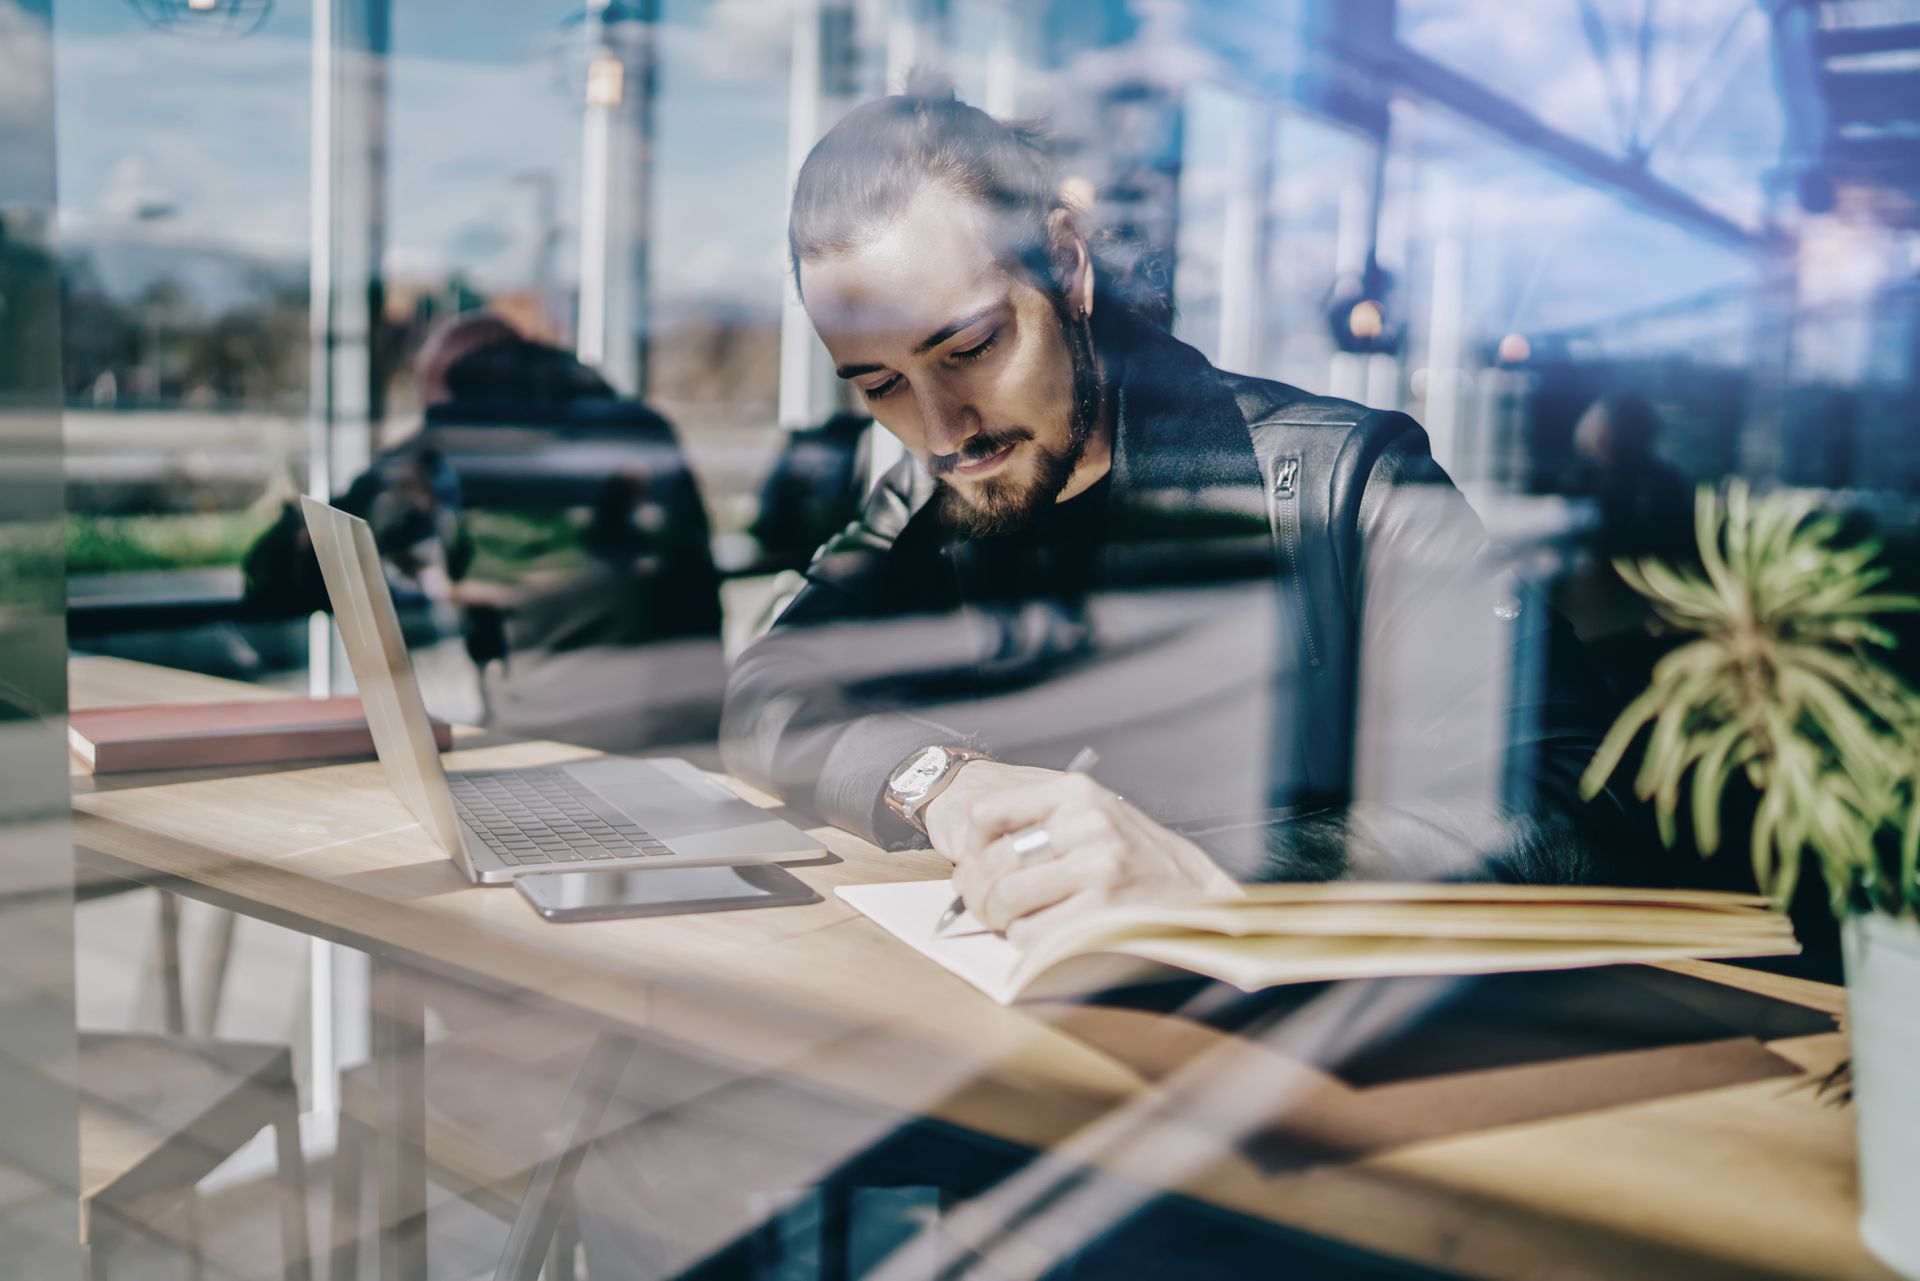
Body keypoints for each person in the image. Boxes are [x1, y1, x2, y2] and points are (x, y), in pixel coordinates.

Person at [721, 76, 1644, 949]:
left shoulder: (1346, 483)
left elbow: (1568, 813)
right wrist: (941, 783)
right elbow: (766, 688)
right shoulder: (926, 497)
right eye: (880, 385)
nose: (939, 431)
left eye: (969, 347)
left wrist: (1209, 872)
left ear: (1069, 267)